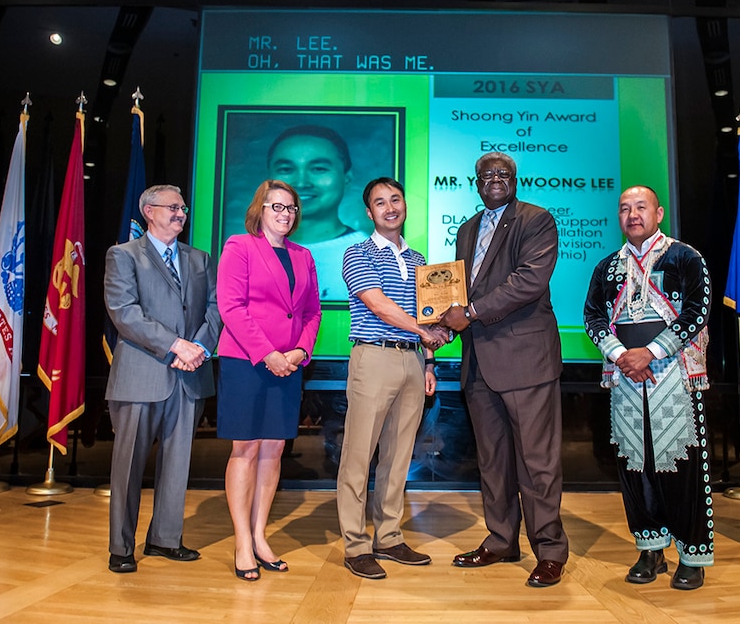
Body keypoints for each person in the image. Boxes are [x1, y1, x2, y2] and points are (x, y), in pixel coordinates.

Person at [438, 153, 569, 588]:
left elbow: (528, 281)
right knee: (493, 461)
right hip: (479, 364)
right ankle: (500, 540)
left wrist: (469, 312)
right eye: (487, 175)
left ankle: (549, 550)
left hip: (525, 360)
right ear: (476, 184)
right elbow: (457, 293)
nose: (495, 180)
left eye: (503, 174)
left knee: (537, 462)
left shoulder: (536, 220)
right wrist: (442, 328)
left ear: (514, 181)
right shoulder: (467, 230)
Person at [582, 185, 714, 591]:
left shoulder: (685, 257)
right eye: (624, 208)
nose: (632, 214)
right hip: (625, 377)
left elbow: (698, 309)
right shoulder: (607, 266)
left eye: (641, 207)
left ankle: (691, 555)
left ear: (659, 214)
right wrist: (623, 354)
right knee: (634, 467)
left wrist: (651, 352)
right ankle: (650, 548)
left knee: (684, 467)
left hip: (674, 374)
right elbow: (591, 316)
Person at [103, 184, 221, 574]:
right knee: (128, 466)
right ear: (149, 211)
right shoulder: (123, 256)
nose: (181, 213)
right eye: (172, 207)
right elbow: (124, 313)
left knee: (178, 463)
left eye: (183, 208)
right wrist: (176, 346)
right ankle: (121, 547)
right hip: (141, 375)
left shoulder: (200, 258)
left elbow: (216, 309)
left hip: (189, 377)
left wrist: (199, 348)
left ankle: (165, 540)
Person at [337, 177, 447, 580]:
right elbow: (379, 305)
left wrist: (432, 359)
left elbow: (429, 314)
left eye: (395, 199)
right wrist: (424, 333)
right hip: (374, 357)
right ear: (369, 212)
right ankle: (355, 545)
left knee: (399, 456)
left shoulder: (420, 260)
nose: (389, 208)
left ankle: (389, 536)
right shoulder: (357, 253)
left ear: (404, 205)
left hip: (413, 363)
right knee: (358, 456)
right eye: (379, 202)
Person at [216, 179, 322, 581]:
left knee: (274, 450)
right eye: (276, 207)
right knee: (245, 448)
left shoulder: (303, 255)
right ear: (260, 209)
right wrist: (269, 354)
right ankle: (242, 541)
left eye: (291, 208)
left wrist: (299, 352)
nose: (285, 214)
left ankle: (260, 536)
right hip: (247, 361)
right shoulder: (239, 246)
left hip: (288, 365)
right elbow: (231, 307)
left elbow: (312, 313)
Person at [267, 124, 370, 301]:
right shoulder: (246, 251)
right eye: (286, 169)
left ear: (347, 178)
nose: (301, 182)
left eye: (318, 169)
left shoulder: (370, 255)